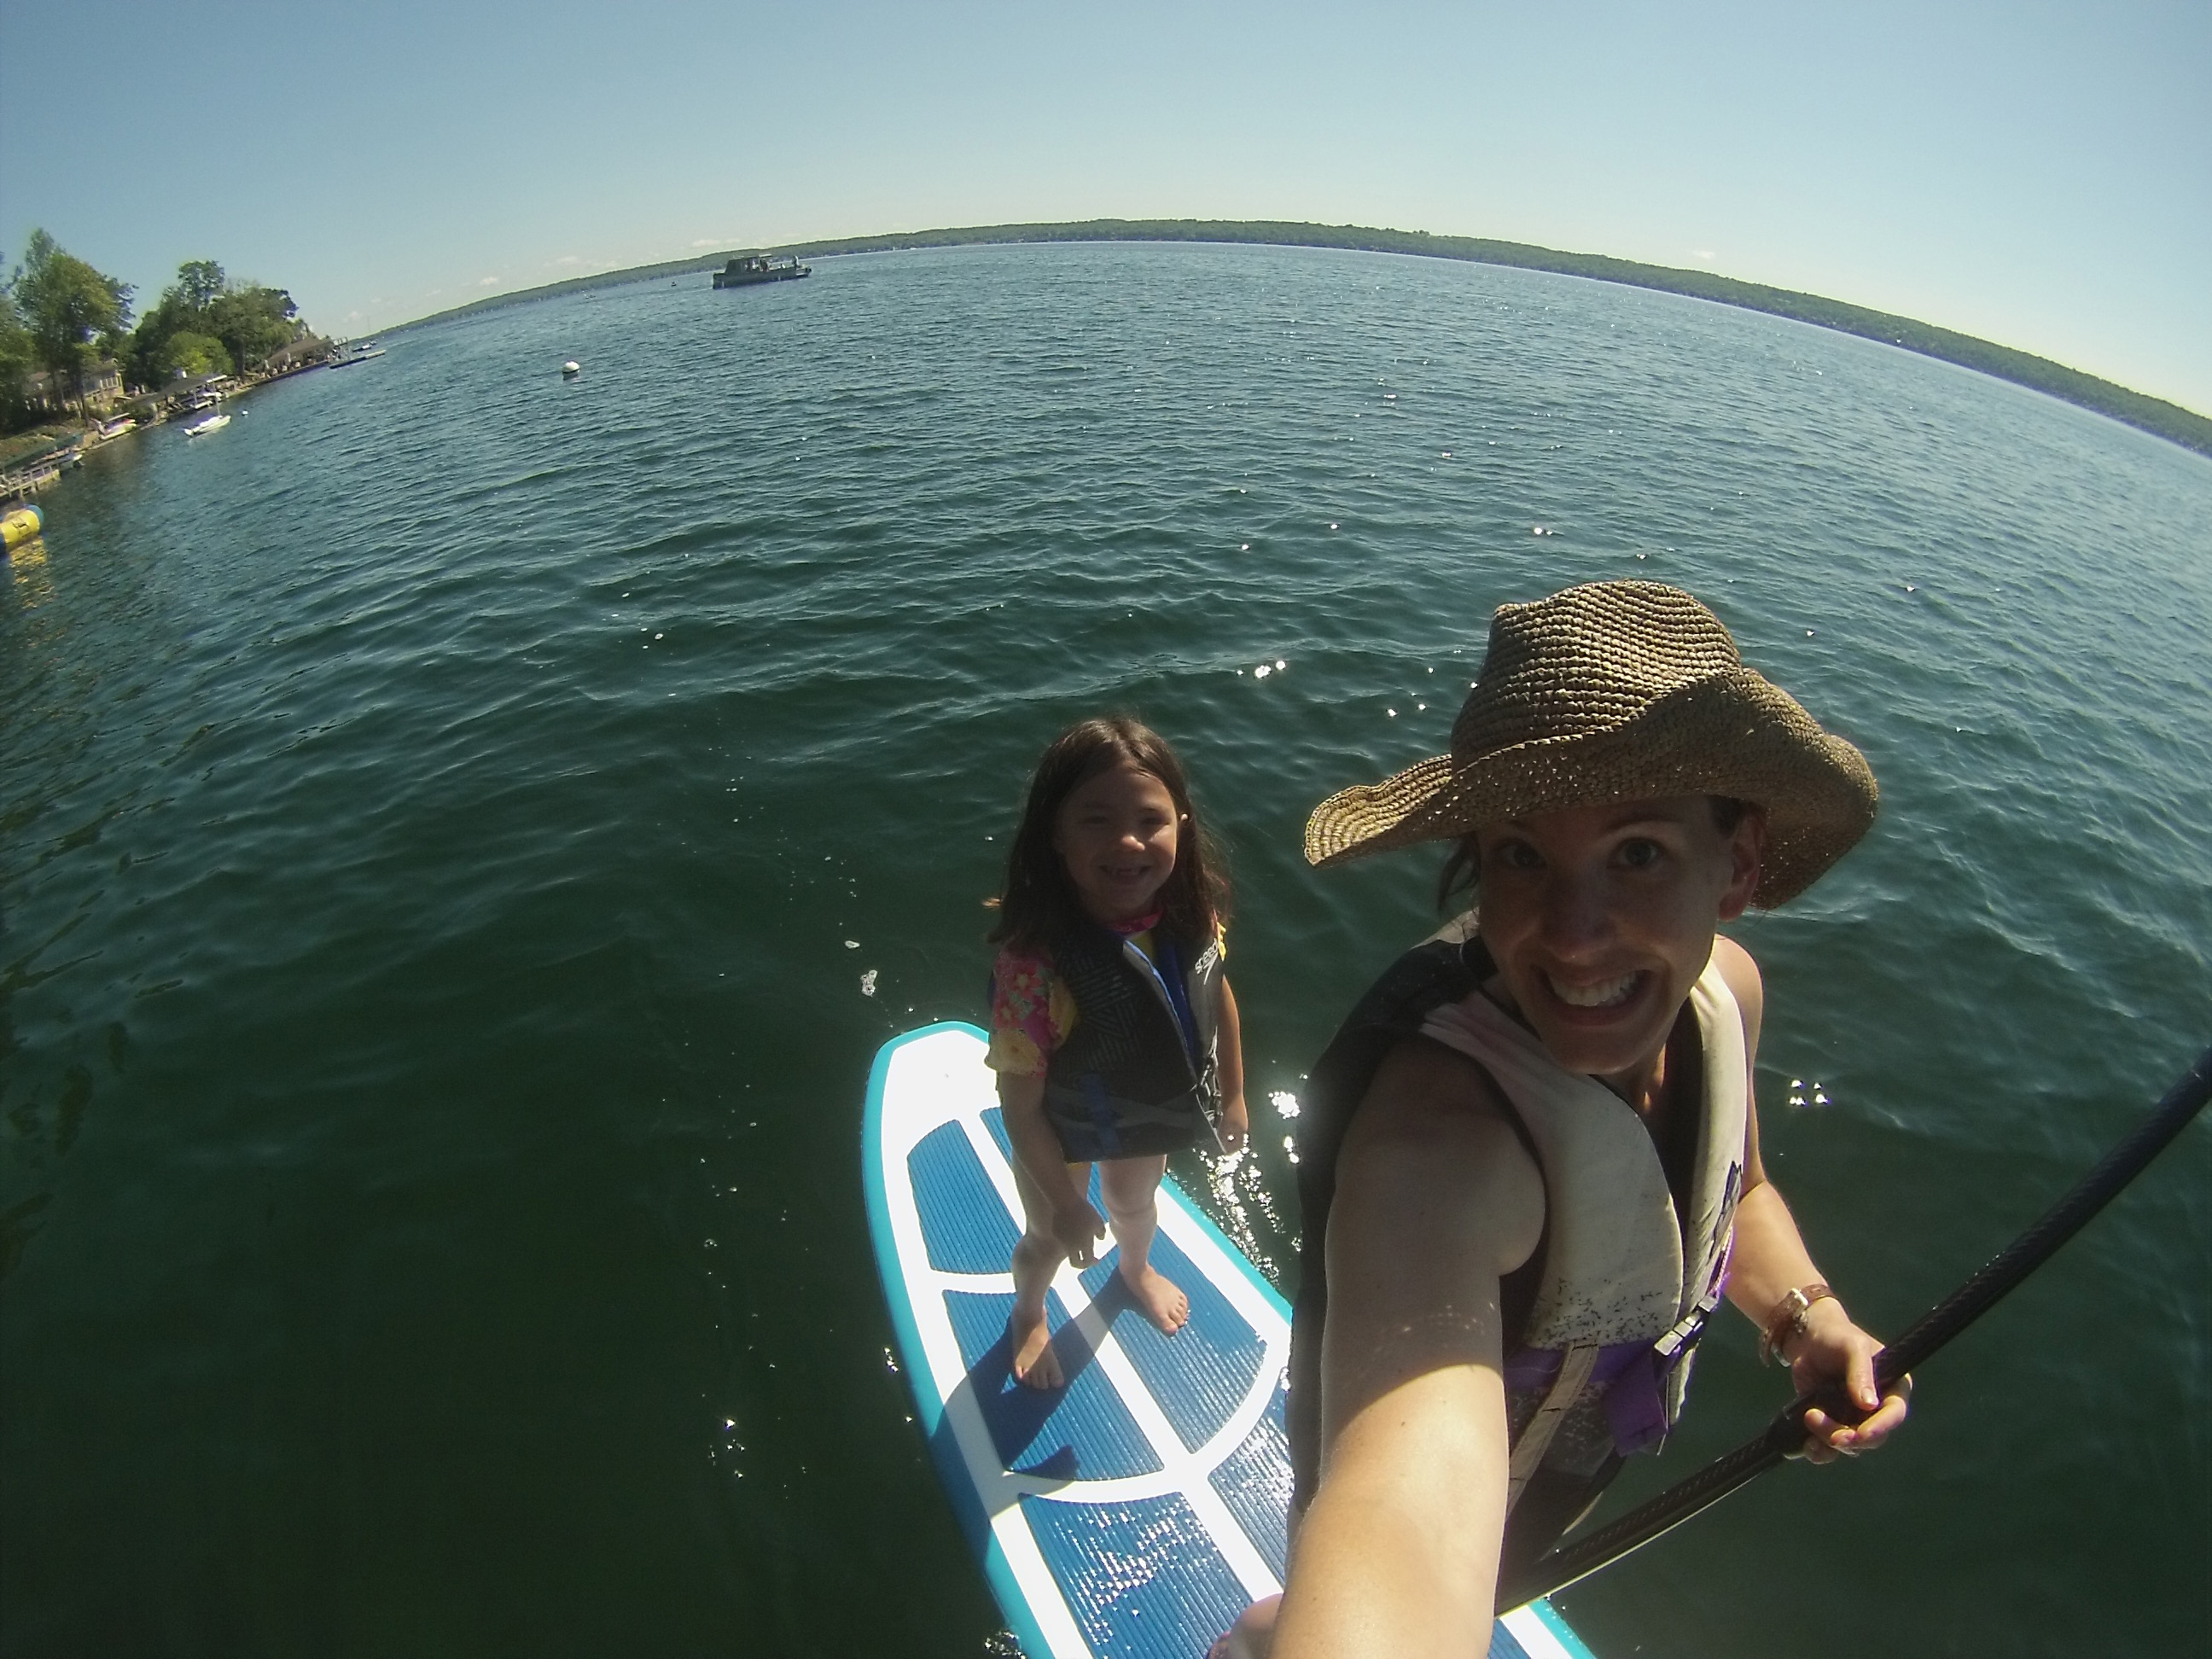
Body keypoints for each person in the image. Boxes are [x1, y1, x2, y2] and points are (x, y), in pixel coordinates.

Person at [1218, 580, 1912, 1656]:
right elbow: (1403, 1524)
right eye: (1522, 856)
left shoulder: (1728, 996)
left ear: (1738, 864)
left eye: (1638, 853)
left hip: (1563, 1472)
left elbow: (1738, 1191)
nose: (1575, 934)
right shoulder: (1437, 1151)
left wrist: (1802, 1317)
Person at [986, 715, 1251, 1390]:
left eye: (1150, 820)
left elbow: (1217, 994)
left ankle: (1135, 1268)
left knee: (1136, 1207)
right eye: (1096, 820)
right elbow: (1020, 1108)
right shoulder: (1035, 966)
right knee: (1047, 1237)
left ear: (1182, 824)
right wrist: (1067, 1204)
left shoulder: (1190, 918)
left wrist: (1234, 1095)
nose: (1128, 841)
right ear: (1056, 834)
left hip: (1141, 1113)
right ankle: (1029, 1311)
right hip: (1060, 1135)